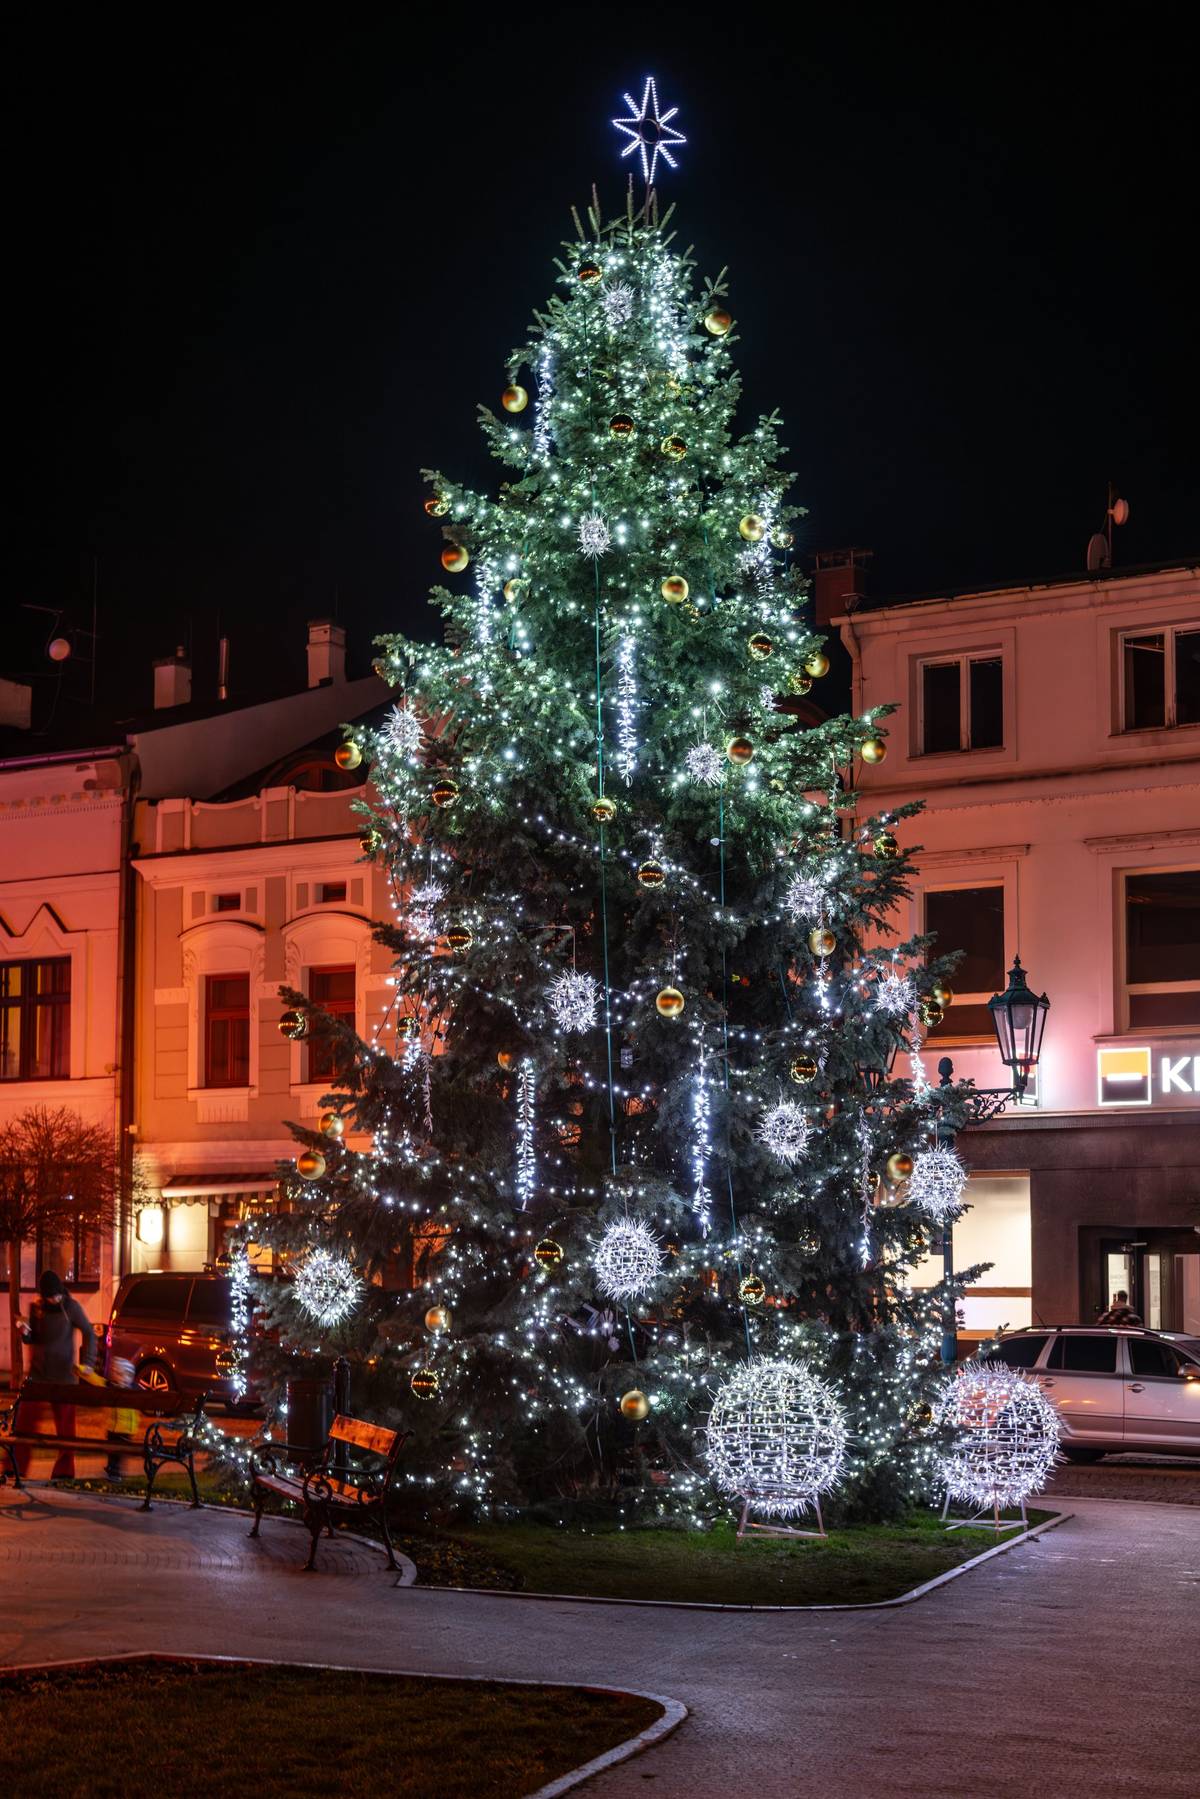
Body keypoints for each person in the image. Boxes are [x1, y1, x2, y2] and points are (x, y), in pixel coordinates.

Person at [13, 1270, 97, 1480]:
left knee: (66, 1429)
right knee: (24, 1424)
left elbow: (89, 1332)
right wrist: (25, 1334)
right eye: (49, 1296)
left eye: (55, 1295)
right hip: (38, 1375)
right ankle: (15, 1467)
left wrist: (87, 1363)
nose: (53, 1299)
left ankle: (64, 1471)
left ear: (60, 1291)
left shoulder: (71, 1307)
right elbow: (34, 1338)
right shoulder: (37, 1308)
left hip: (63, 1377)